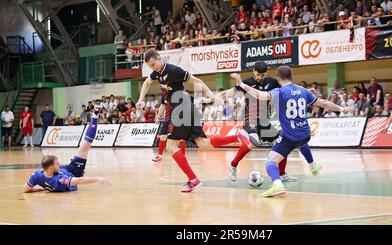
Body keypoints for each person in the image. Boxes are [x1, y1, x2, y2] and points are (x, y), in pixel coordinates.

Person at [136, 49, 250, 192]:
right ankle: (238, 136)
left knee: (170, 146)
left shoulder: (173, 70)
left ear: (159, 58)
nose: (153, 68)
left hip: (182, 109)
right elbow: (147, 83)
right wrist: (141, 100)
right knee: (204, 144)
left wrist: (212, 96)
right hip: (186, 109)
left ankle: (193, 180)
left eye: (154, 64)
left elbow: (198, 81)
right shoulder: (157, 73)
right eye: (150, 66)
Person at [230, 67, 354, 197]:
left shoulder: (279, 92)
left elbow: (260, 95)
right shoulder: (303, 91)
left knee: (270, 163)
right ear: (292, 77)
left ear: (279, 78)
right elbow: (324, 103)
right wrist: (342, 108)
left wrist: (241, 84)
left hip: (290, 137)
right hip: (306, 134)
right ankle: (313, 166)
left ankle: (277, 184)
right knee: (300, 142)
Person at [218, 61, 315, 182]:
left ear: (266, 74)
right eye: (258, 75)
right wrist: (213, 97)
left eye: (262, 75)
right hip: (251, 119)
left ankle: (282, 173)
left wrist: (306, 90)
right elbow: (229, 93)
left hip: (264, 121)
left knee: (281, 143)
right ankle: (233, 166)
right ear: (254, 71)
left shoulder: (273, 83)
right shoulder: (246, 83)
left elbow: (289, 87)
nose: (260, 77)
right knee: (253, 142)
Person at [24, 105, 110, 193]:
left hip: (67, 169)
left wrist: (42, 188)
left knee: (85, 143)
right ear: (50, 168)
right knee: (87, 143)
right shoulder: (60, 180)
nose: (59, 164)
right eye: (57, 164)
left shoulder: (36, 175)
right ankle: (95, 117)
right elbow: (79, 180)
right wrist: (98, 178)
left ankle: (94, 116)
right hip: (74, 172)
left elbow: (26, 189)